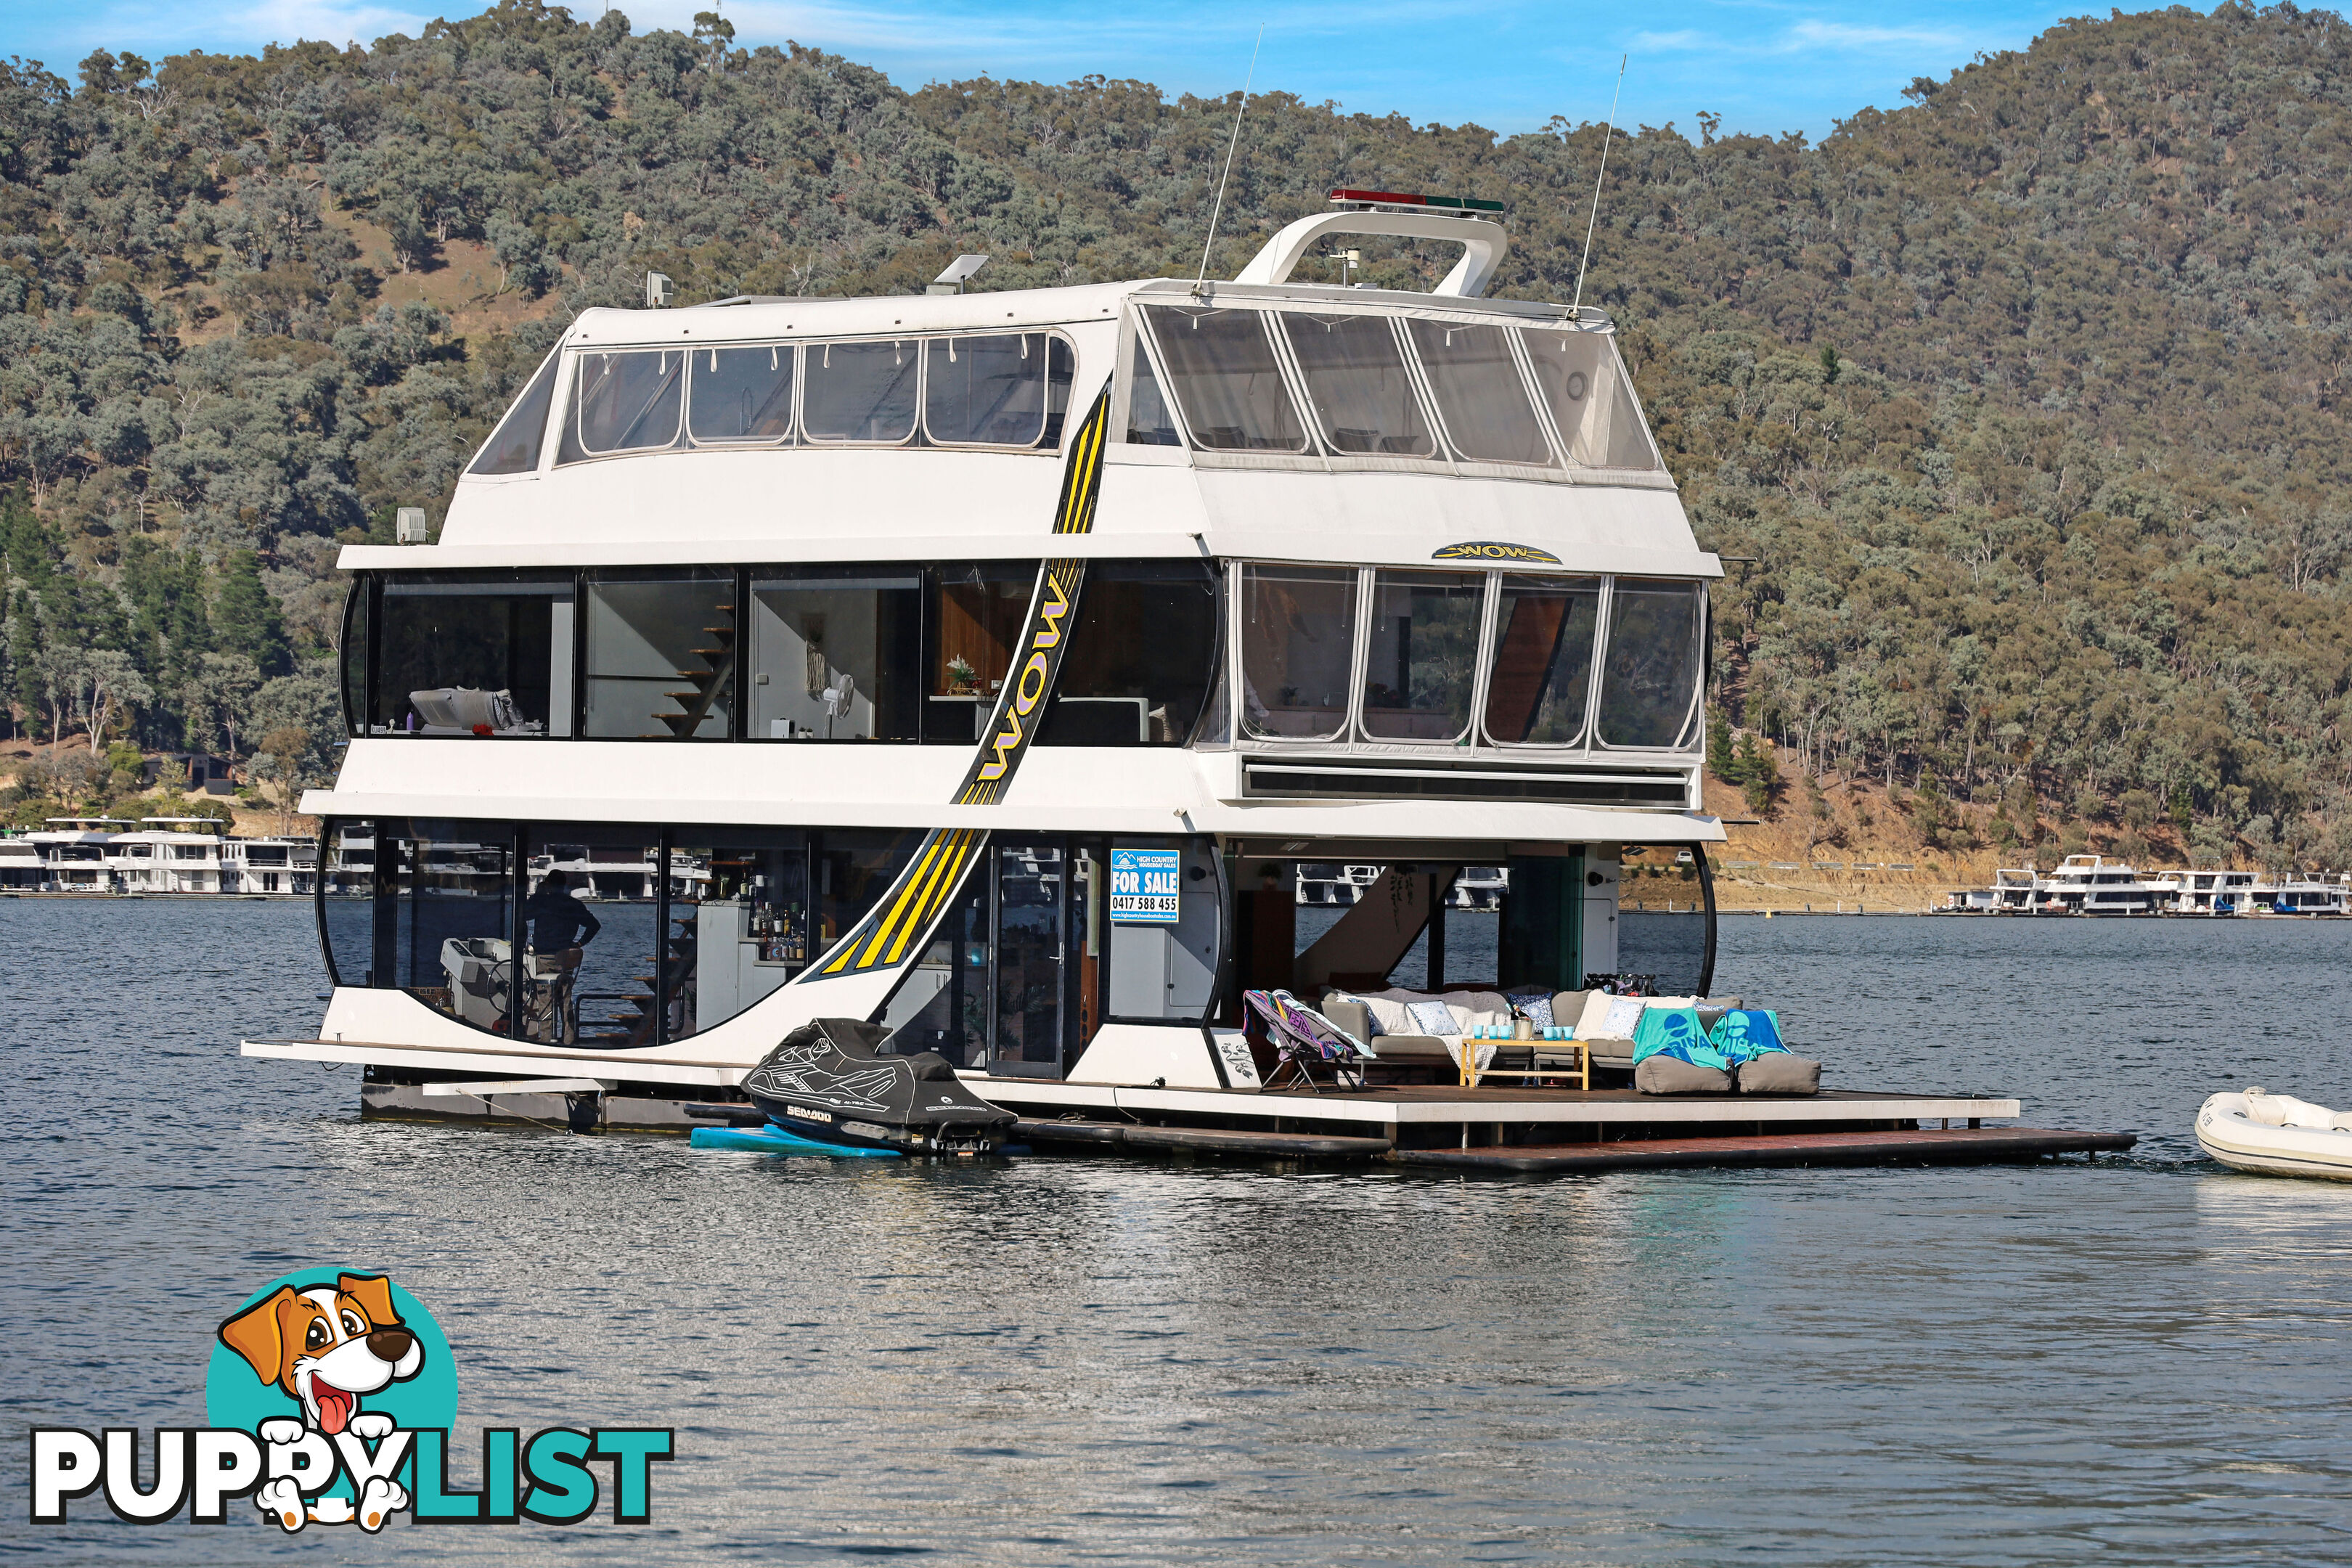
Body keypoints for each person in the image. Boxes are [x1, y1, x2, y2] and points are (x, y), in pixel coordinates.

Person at [523, 870, 602, 954]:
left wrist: (537, 895)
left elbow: (524, 915)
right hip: (565, 953)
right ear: (564, 884)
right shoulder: (574, 904)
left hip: (544, 952)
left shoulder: (542, 902)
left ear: (547, 884)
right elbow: (594, 925)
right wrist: (579, 943)